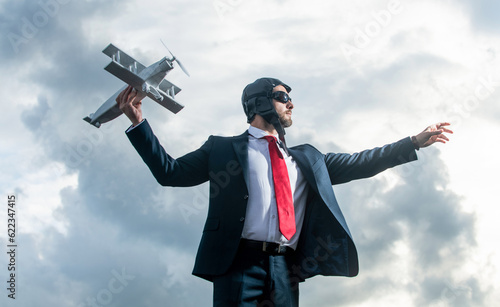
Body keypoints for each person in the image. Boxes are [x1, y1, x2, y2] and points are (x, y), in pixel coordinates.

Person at [117, 77, 452, 307]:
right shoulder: (222, 149)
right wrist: (138, 124)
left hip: (285, 269)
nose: (291, 104)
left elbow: (362, 161)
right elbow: (170, 173)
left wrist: (413, 142)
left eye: (290, 98)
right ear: (260, 101)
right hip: (239, 266)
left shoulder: (307, 158)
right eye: (282, 97)